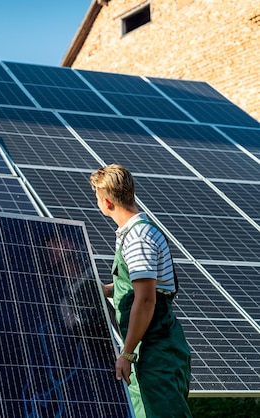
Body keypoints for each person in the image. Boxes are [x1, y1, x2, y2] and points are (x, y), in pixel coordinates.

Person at [89, 164, 192, 418]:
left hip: (154, 350)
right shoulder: (133, 234)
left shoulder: (138, 238)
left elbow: (146, 300)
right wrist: (106, 290)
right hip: (148, 349)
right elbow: (138, 287)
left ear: (107, 203)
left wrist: (126, 354)